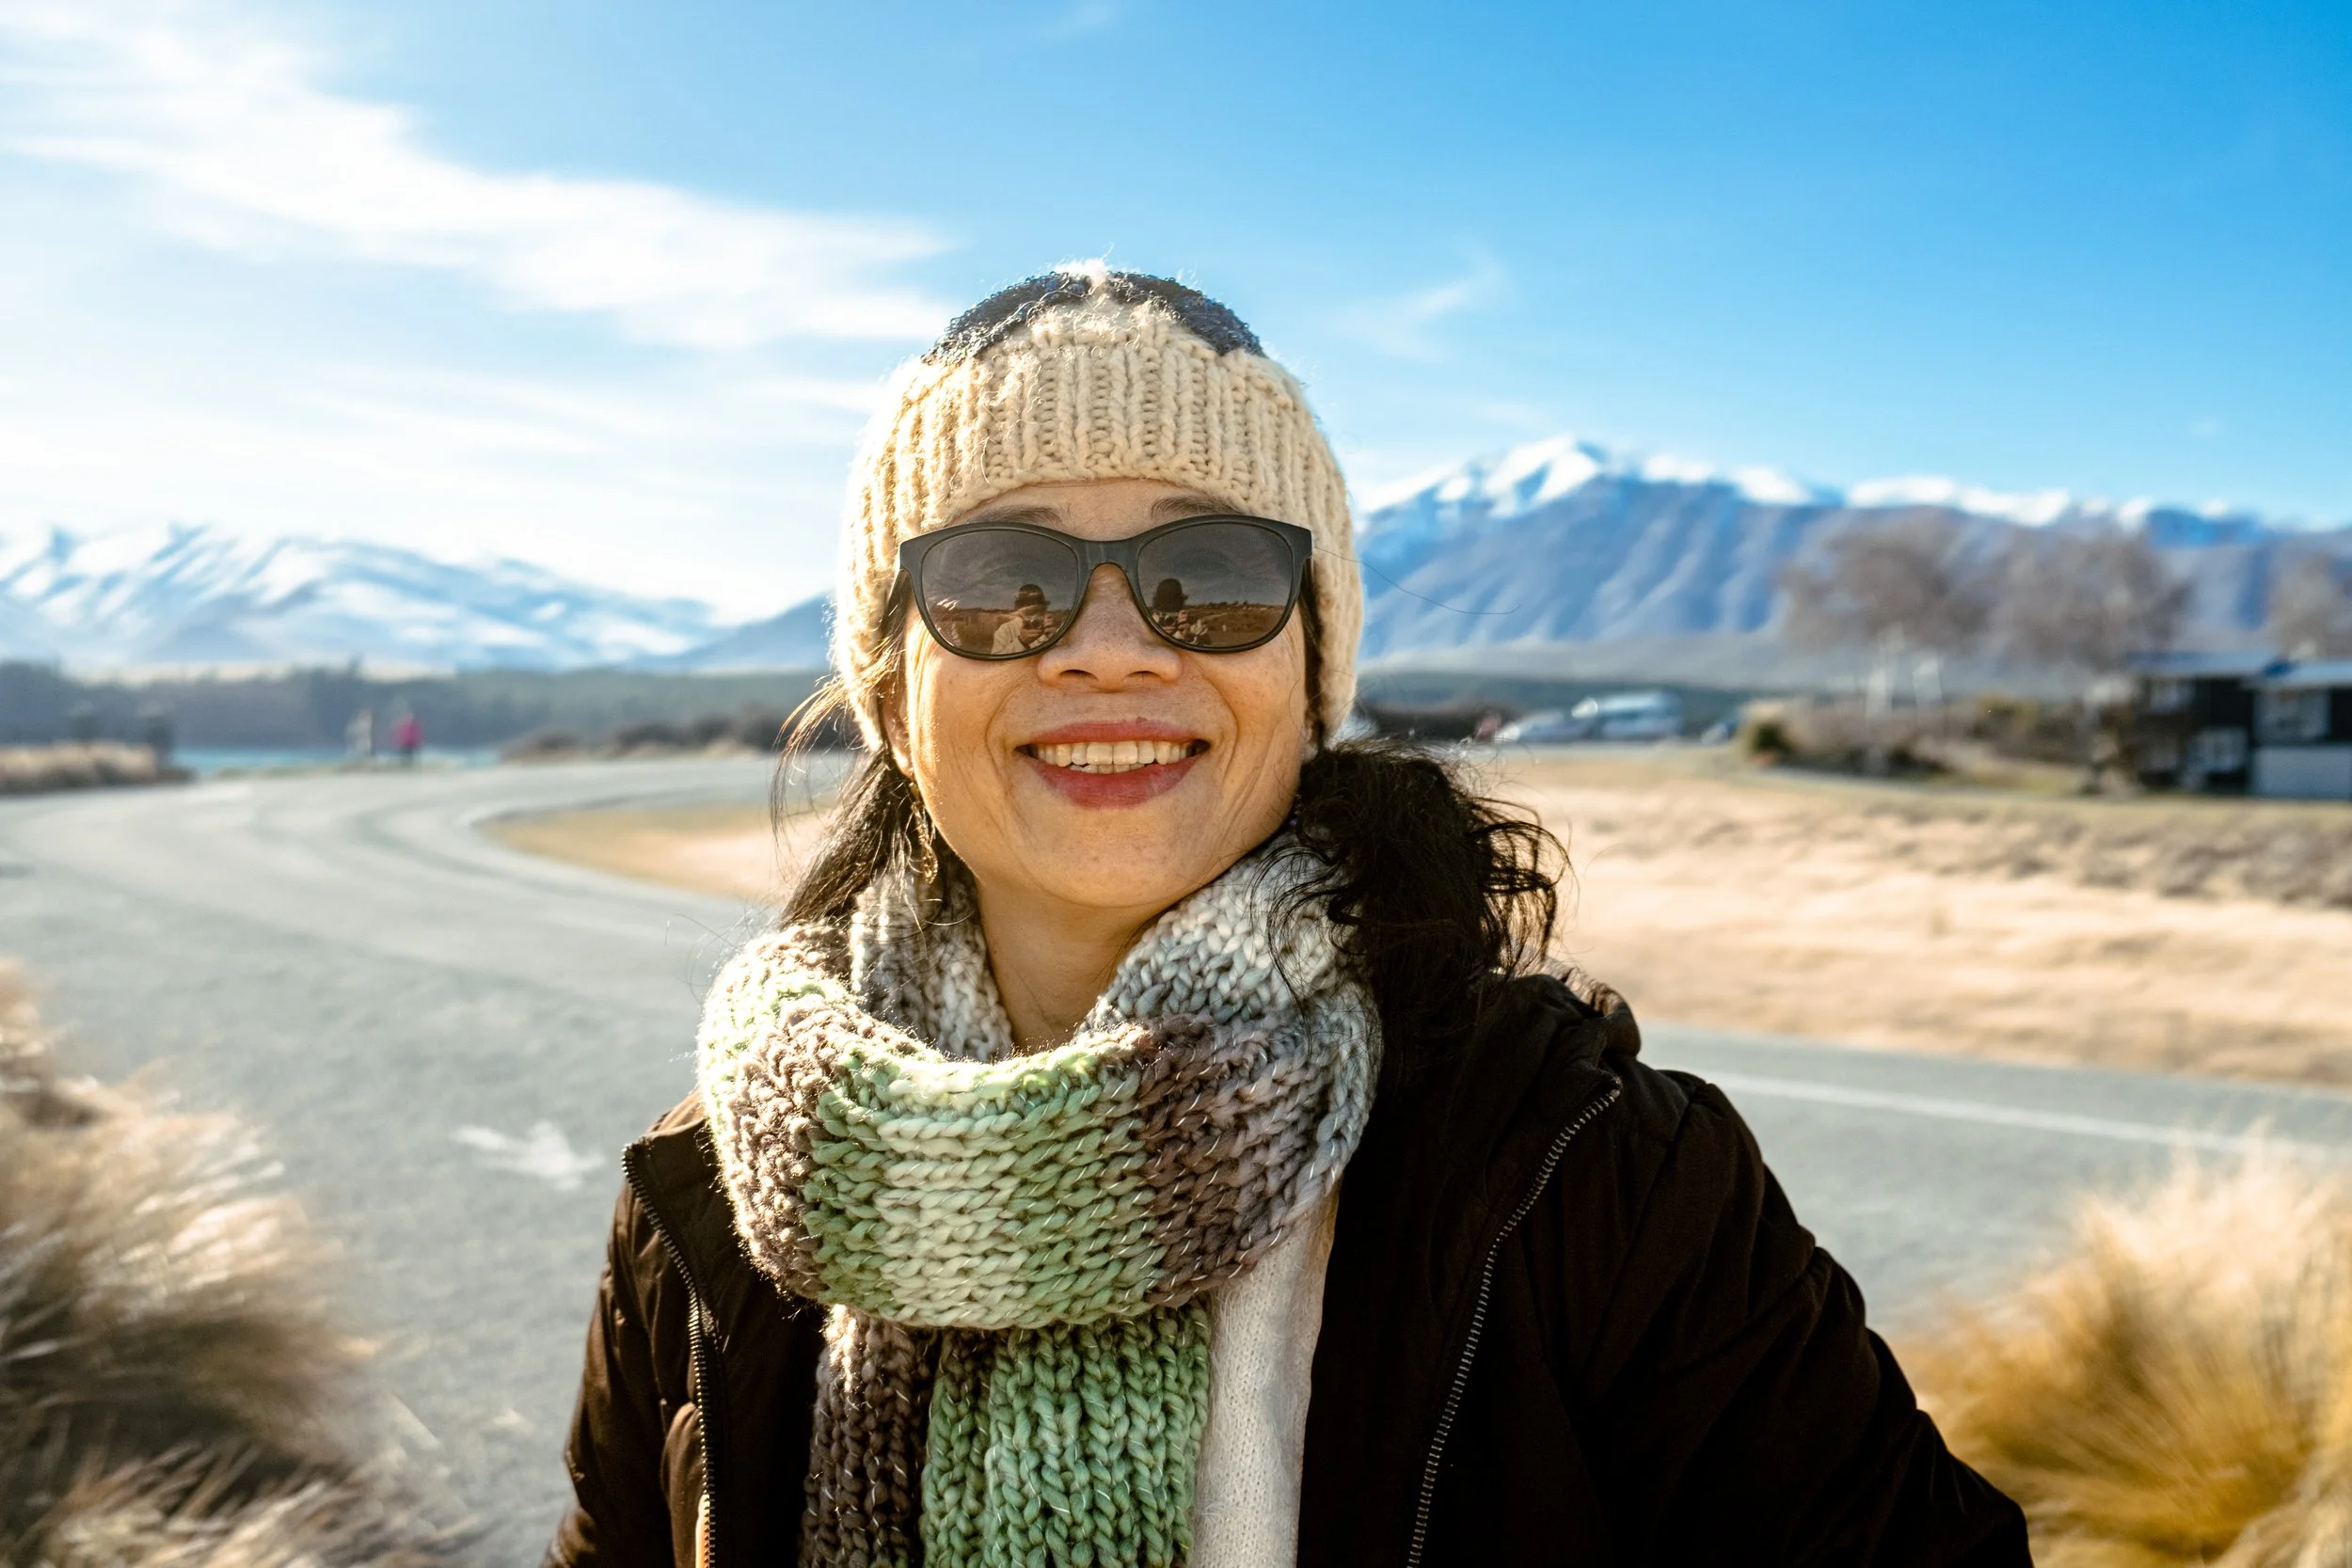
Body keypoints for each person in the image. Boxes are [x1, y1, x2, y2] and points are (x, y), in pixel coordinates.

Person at [549, 266, 2029, 1568]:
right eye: (1004, 582)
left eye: (1210, 578)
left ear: (1312, 667)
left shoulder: (1595, 1177)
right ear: (889, 682)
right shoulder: (710, 1201)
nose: (1112, 650)